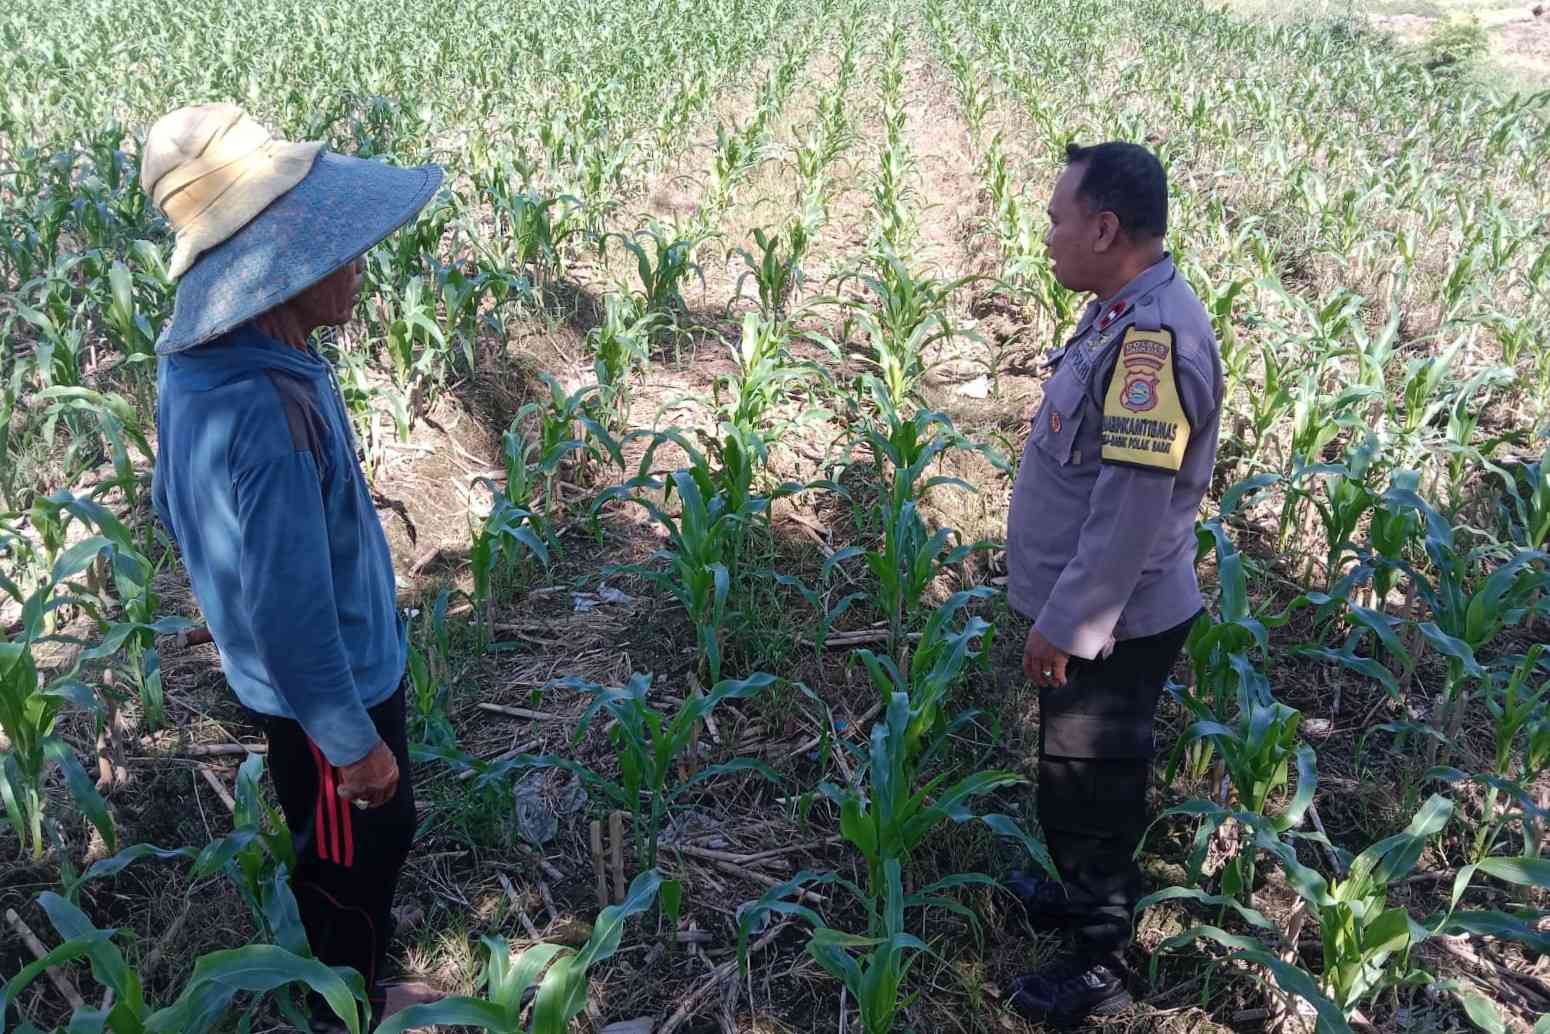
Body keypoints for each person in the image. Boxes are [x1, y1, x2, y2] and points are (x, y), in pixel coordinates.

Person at [144, 103, 444, 1031]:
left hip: (316, 684)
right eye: (333, 249)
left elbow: (174, 503)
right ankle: (344, 1005)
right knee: (358, 845)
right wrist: (352, 744)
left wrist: (223, 603)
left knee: (347, 841)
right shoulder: (269, 417)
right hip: (329, 693)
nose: (353, 264)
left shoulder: (213, 365)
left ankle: (350, 977)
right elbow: (292, 618)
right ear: (274, 269)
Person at [1001, 141, 1224, 1027]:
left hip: (1115, 623)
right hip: (1104, 615)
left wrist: (1066, 624)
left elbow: (1130, 512)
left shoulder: (1149, 344)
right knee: (1074, 777)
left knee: (1090, 784)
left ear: (1104, 227)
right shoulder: (1122, 314)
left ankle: (1099, 959)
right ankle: (1079, 899)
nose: (1048, 236)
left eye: (1058, 219)